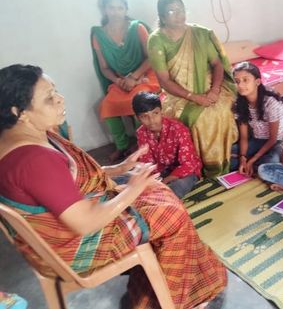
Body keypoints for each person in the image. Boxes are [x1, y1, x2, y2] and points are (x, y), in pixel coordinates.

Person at [0, 64, 226, 309]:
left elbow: (66, 182)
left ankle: (154, 288)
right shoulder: (33, 161)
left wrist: (118, 169)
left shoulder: (23, 138)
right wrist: (132, 189)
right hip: (77, 246)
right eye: (49, 98)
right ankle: (178, 298)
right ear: (19, 112)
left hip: (58, 233)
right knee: (172, 213)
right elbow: (85, 222)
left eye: (55, 91)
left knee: (159, 193)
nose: (60, 99)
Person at [147, 0, 238, 178]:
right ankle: (200, 166)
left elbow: (217, 64)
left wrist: (214, 90)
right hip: (178, 93)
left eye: (181, 9)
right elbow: (164, 81)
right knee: (198, 119)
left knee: (222, 111)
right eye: (172, 11)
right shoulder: (156, 40)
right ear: (162, 17)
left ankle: (227, 159)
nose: (178, 14)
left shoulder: (200, 33)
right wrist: (194, 97)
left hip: (211, 85)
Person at [91, 0, 161, 163]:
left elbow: (151, 57)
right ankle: (122, 146)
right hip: (121, 80)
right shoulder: (98, 35)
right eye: (111, 8)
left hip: (145, 75)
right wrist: (119, 81)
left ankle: (141, 144)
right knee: (107, 105)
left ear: (126, 9)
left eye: (120, 8)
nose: (116, 12)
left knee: (139, 102)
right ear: (104, 9)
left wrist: (134, 76)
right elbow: (104, 68)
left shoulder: (137, 28)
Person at [132, 91, 201, 198]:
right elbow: (147, 163)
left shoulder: (178, 129)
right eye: (144, 117)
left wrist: (165, 181)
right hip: (161, 172)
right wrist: (153, 181)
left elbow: (188, 164)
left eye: (155, 113)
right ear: (138, 118)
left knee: (176, 189)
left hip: (184, 172)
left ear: (161, 112)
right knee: (134, 186)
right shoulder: (141, 133)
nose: (151, 120)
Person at [230, 62, 283, 176]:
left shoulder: (270, 103)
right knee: (227, 157)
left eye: (245, 80)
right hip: (258, 140)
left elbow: (273, 139)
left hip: (278, 141)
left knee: (269, 163)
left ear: (257, 82)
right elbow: (244, 137)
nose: (240, 85)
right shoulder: (239, 104)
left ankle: (257, 163)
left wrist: (251, 160)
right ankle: (253, 164)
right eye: (237, 81)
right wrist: (243, 158)